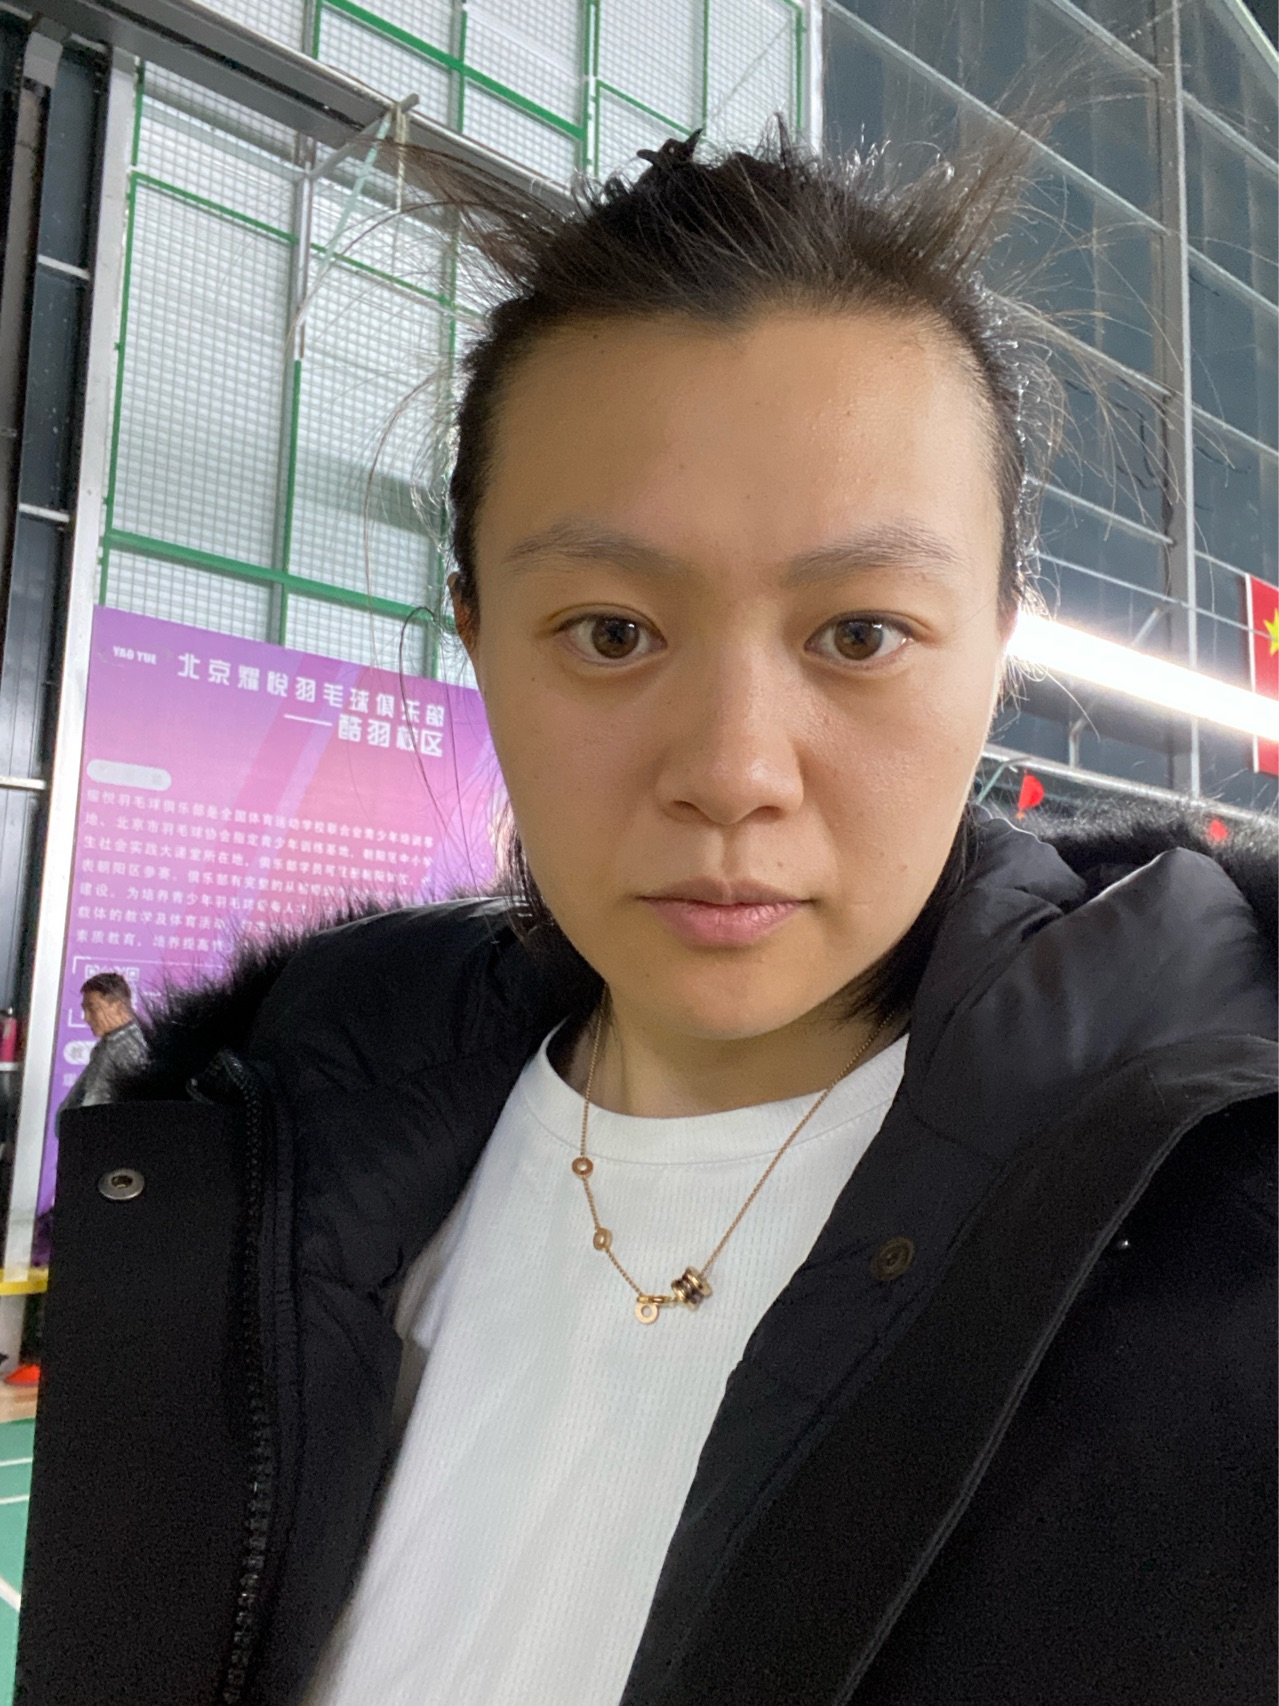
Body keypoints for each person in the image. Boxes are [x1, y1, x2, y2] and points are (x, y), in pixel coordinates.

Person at [18, 129, 1276, 1706]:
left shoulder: (1225, 1232)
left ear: (996, 647)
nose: (731, 770)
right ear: (476, 630)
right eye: (609, 631)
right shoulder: (256, 1143)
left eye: (859, 633)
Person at [57, 972, 148, 1114]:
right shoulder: (110, 1045)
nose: (86, 1018)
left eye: (92, 1009)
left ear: (118, 1007)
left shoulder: (129, 1048)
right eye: (84, 1010)